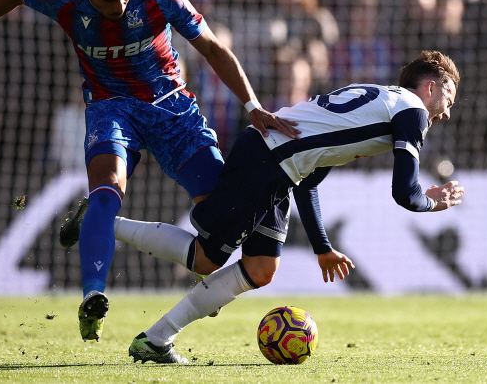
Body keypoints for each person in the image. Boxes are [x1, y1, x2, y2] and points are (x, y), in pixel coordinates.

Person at [0, 0, 298, 342]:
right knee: (107, 188)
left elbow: (215, 49)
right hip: (110, 108)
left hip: (172, 109)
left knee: (220, 221)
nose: (119, 4)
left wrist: (252, 105)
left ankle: (97, 227)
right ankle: (93, 296)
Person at [65, 50, 465, 363]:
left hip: (276, 166)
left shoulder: (380, 104)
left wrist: (322, 246)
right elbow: (406, 193)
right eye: (448, 96)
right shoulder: (412, 110)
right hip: (266, 162)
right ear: (429, 87)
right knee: (205, 259)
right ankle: (101, 222)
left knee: (261, 268)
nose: (446, 112)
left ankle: (154, 340)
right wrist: (433, 201)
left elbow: (308, 181)